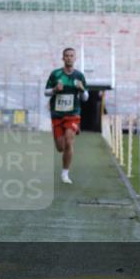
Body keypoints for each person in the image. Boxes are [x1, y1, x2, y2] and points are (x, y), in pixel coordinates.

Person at [45, 47, 88, 185]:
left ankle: (65, 173)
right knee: (60, 147)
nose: (69, 58)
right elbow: (45, 92)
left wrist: (82, 90)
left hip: (73, 114)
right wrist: (54, 90)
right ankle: (72, 130)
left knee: (69, 141)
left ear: (75, 58)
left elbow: (85, 97)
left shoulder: (79, 76)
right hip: (57, 114)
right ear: (63, 58)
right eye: (67, 56)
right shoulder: (56, 74)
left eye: (71, 56)